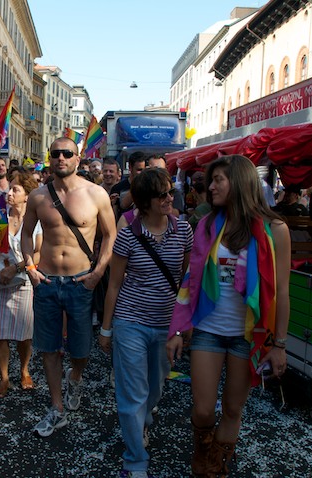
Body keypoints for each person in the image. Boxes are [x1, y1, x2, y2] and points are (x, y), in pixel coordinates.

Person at [166, 155, 291, 477]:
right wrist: (177, 330)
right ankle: (203, 447)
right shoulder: (208, 224)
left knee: (233, 408)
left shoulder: (276, 230)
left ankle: (214, 468)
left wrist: (279, 345)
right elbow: (191, 280)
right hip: (208, 329)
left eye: (218, 180)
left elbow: (281, 291)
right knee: (203, 409)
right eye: (212, 180)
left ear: (240, 182)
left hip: (248, 336)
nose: (211, 186)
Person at [100, 168, 193, 478]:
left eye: (170, 192)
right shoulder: (128, 236)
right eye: (161, 195)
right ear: (144, 201)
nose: (169, 199)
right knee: (133, 393)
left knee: (155, 389)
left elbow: (185, 281)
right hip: (130, 322)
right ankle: (135, 460)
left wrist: (184, 323)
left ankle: (142, 422)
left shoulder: (184, 230)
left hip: (166, 325)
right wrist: (106, 329)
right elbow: (114, 285)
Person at [21, 137, 116, 437]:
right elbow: (26, 234)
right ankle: (57, 408)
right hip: (47, 281)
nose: (61, 158)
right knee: (48, 348)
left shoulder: (96, 194)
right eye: (55, 154)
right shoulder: (38, 196)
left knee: (80, 348)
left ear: (77, 158)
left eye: (67, 153)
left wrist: (97, 273)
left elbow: (110, 235)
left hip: (80, 282)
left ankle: (75, 377)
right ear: (50, 158)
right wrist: (31, 269)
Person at [0, 170, 42, 398]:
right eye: (9, 189)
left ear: (27, 196)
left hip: (23, 280)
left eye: (15, 189)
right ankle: (4, 377)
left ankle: (24, 370)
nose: (9, 193)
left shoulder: (34, 221)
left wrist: (16, 268)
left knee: (24, 333)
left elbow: (39, 253)